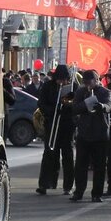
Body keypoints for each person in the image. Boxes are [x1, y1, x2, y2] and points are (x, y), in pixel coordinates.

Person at [69, 69, 111, 203]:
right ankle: (78, 192)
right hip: (84, 133)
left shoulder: (105, 92)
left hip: (100, 134)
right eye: (85, 82)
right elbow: (74, 108)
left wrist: (101, 106)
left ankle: (97, 194)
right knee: (80, 165)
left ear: (96, 80)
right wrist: (86, 103)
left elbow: (109, 106)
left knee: (99, 166)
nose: (87, 85)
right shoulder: (81, 92)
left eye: (90, 82)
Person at [36, 64, 76, 196]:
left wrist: (68, 105)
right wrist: (52, 110)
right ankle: (44, 184)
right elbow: (41, 103)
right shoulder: (48, 86)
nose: (62, 82)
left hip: (67, 125)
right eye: (60, 79)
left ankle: (68, 186)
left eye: (64, 79)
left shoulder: (73, 87)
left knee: (67, 155)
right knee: (49, 154)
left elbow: (76, 104)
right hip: (52, 123)